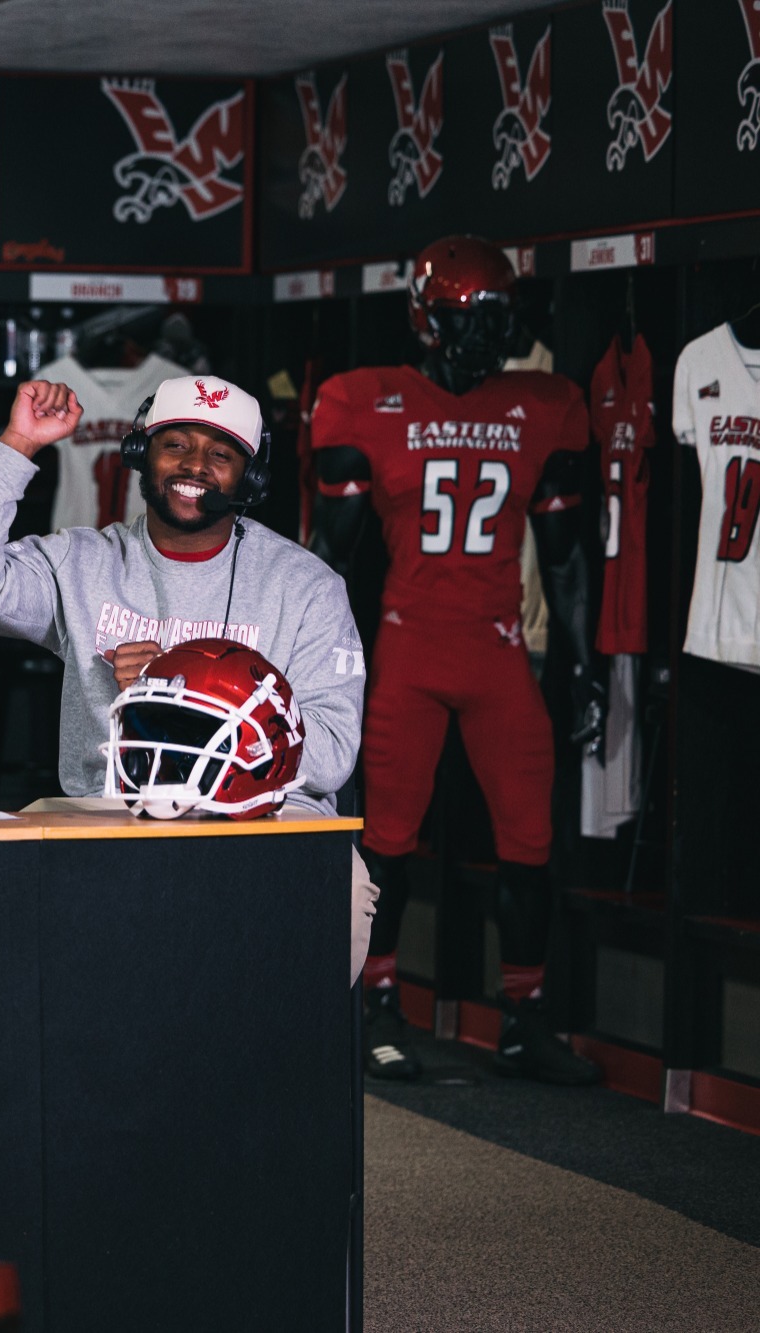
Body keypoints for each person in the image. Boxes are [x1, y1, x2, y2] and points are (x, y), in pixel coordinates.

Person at [0, 375, 378, 983]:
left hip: (263, 816)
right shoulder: (83, 562)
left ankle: (287, 1062)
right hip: (111, 808)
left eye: (220, 455)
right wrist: (18, 444)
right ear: (142, 454)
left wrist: (190, 690)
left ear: (252, 477)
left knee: (342, 890)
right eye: (176, 445)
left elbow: (333, 751)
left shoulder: (307, 586)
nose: (195, 466)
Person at [311, 235, 603, 1086]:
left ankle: (525, 1016)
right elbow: (328, 563)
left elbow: (568, 559)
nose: (480, 337)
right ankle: (375, 1003)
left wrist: (581, 660)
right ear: (424, 316)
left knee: (530, 840)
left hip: (499, 648)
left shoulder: (544, 403)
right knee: (388, 842)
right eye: (462, 318)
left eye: (494, 320)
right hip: (407, 644)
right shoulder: (366, 400)